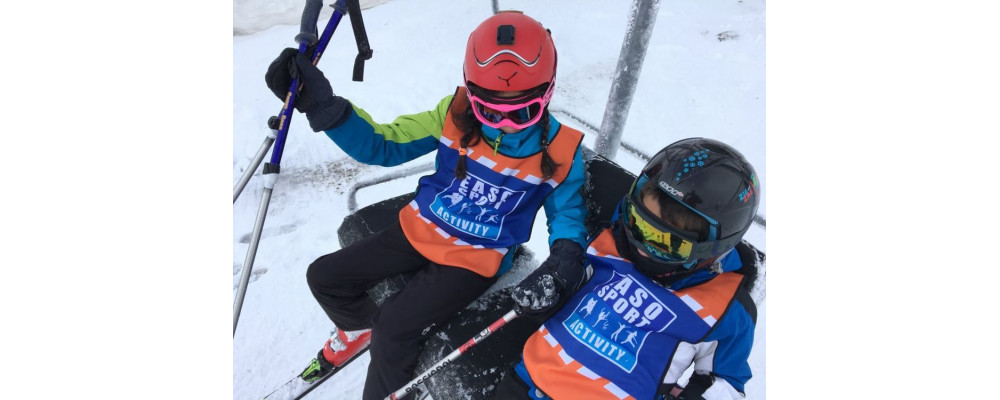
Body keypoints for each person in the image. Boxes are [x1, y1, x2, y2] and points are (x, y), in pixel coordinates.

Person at [263, 11, 590, 400]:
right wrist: (325, 108)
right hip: (421, 226)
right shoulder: (454, 113)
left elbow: (567, 215)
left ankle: (393, 369)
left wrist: (566, 256)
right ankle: (361, 330)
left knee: (393, 332)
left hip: (475, 256)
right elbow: (383, 144)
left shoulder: (560, 152)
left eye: (521, 112)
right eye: (488, 110)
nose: (502, 122)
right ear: (471, 90)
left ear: (547, 93)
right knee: (324, 277)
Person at [497, 138, 761, 399]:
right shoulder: (611, 239)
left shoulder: (727, 308)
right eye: (639, 225)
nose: (643, 246)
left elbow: (725, 382)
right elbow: (574, 278)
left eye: (667, 243)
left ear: (712, 248)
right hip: (529, 383)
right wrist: (555, 282)